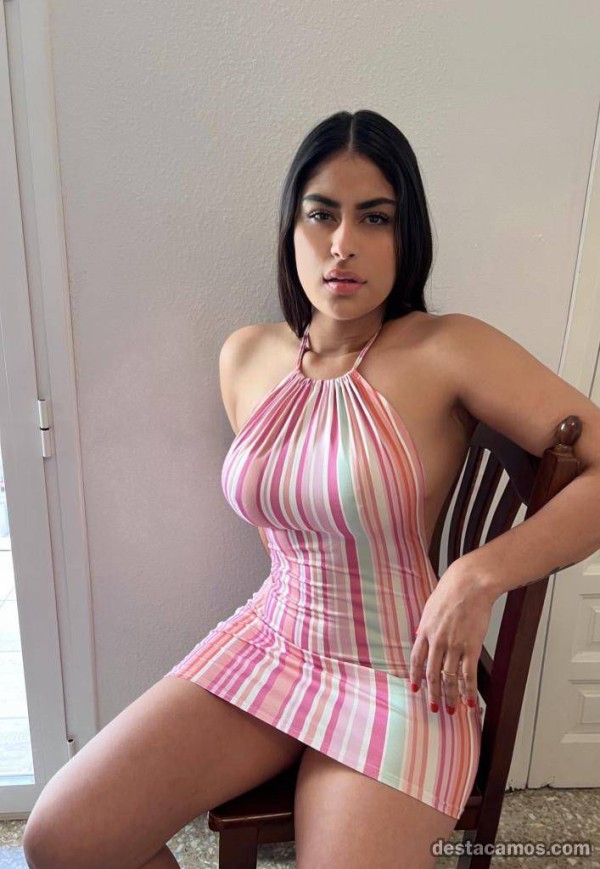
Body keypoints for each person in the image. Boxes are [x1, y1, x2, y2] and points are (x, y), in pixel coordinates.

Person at [21, 110, 600, 869]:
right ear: (290, 227)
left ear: (408, 235)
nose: (342, 243)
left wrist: (478, 573)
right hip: (273, 641)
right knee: (61, 839)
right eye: (321, 213)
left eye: (375, 218)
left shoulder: (448, 347)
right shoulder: (245, 356)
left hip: (403, 675)